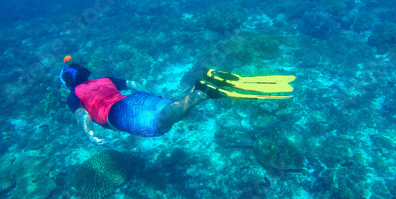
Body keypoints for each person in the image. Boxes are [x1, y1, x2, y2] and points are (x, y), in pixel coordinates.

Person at [59, 56, 294, 144]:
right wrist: (149, 94)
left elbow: (83, 115)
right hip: (136, 99)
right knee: (171, 112)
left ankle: (203, 91)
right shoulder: (103, 79)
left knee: (159, 124)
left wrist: (90, 134)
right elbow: (132, 83)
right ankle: (198, 88)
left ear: (69, 83)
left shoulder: (73, 96)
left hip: (116, 113)